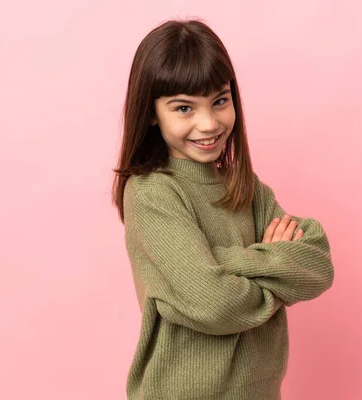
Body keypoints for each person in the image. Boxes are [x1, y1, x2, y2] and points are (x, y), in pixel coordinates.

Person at [112, 19, 334, 400]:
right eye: (184, 108)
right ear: (151, 113)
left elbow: (317, 264)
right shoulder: (152, 192)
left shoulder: (244, 187)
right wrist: (274, 271)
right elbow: (213, 304)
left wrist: (221, 260)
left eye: (219, 100)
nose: (208, 123)